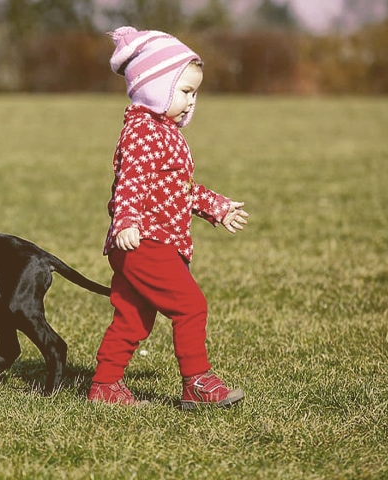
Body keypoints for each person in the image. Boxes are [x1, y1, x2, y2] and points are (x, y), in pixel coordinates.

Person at [88, 26, 249, 408]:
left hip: (150, 242)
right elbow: (131, 180)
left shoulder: (165, 131)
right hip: (145, 242)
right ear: (155, 87)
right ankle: (197, 381)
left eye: (196, 93)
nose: (192, 101)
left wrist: (217, 207)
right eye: (185, 91)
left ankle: (105, 386)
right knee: (191, 306)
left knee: (133, 317)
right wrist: (127, 221)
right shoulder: (143, 132)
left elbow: (180, 187)